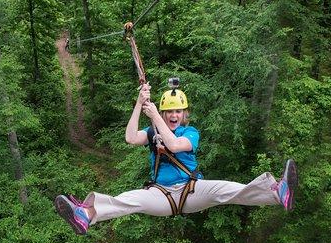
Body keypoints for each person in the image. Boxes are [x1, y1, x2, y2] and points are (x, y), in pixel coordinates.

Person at [54, 83, 298, 235]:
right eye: (169, 111)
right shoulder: (152, 132)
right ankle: (85, 215)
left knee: (227, 190)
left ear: (184, 114)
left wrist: (155, 118)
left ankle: (278, 193)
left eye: (177, 111)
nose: (173, 115)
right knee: (128, 199)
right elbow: (129, 138)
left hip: (192, 191)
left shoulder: (191, 133)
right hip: (160, 195)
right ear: (164, 112)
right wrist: (139, 105)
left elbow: (173, 144)